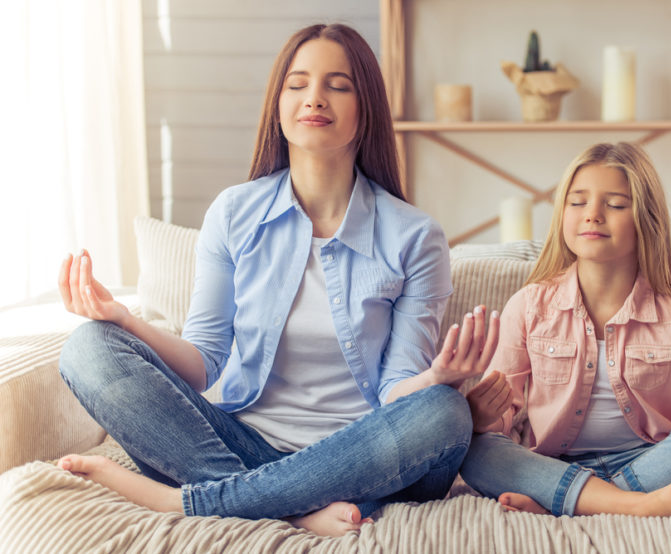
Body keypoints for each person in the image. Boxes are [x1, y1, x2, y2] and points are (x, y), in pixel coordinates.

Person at [55, 23, 498, 537]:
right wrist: (124, 320)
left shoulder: (415, 237)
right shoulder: (234, 213)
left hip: (365, 459)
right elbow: (202, 365)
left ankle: (190, 502)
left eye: (338, 84)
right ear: (278, 102)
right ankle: (285, 509)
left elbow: (399, 390)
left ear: (366, 106)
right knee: (89, 346)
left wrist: (436, 377)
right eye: (298, 83)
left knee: (444, 412)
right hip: (245, 443)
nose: (315, 98)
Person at [460, 142, 671, 518]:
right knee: (474, 450)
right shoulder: (528, 305)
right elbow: (504, 413)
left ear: (644, 220)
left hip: (647, 462)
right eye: (578, 202)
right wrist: (481, 417)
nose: (593, 215)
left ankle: (567, 502)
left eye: (616, 204)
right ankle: (634, 505)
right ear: (561, 215)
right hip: (554, 463)